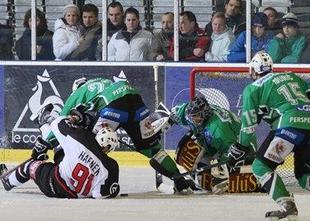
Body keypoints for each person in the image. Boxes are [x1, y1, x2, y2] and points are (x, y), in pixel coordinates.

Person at [42, 77, 194, 193]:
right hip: (135, 100)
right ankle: (178, 179)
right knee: (152, 148)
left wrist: (44, 144)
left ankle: (93, 180)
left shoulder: (78, 92)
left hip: (113, 106)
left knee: (91, 145)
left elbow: (60, 124)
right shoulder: (105, 83)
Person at [238, 51, 310, 219]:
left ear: (253, 71)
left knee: (260, 167)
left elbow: (248, 127)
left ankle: (287, 205)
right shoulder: (291, 77)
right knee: (305, 175)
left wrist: (239, 148)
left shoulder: (252, 88)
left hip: (288, 128)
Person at [1, 114, 120, 199]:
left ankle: (8, 181)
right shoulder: (112, 167)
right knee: (63, 151)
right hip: (74, 195)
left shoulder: (83, 138)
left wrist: (75, 118)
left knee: (29, 167)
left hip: (53, 182)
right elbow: (99, 194)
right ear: (110, 148)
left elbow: (57, 123)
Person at [170, 96, 256, 193]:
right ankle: (199, 177)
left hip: (244, 150)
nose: (193, 119)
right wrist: (166, 123)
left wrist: (220, 170)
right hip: (221, 144)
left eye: (196, 116)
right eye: (192, 116)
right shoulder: (196, 112)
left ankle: (235, 177)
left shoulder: (218, 129)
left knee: (220, 178)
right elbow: (174, 112)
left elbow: (232, 152)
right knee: (190, 147)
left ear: (205, 113)